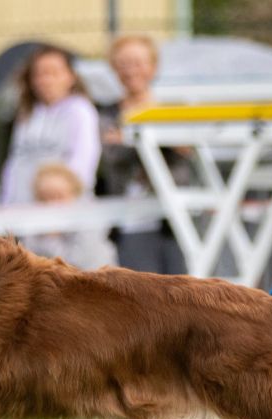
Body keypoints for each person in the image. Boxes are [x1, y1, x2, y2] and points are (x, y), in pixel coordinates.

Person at [98, 34, 192, 274]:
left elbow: (188, 148)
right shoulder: (106, 114)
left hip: (173, 221)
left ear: (153, 66)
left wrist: (129, 139)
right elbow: (111, 155)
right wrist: (162, 141)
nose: (131, 71)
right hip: (129, 221)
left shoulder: (173, 109)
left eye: (138, 63)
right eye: (123, 64)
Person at [0, 45, 102, 205]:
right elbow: (16, 161)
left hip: (62, 206)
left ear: (71, 76)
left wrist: (64, 193)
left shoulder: (80, 111)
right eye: (39, 74)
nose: (46, 80)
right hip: (22, 207)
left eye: (54, 73)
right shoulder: (27, 113)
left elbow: (84, 159)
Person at [24, 163, 116, 269]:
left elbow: (77, 265)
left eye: (59, 196)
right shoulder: (32, 227)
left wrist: (50, 239)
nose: (52, 204)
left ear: (74, 195)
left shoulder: (90, 223)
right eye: (44, 198)